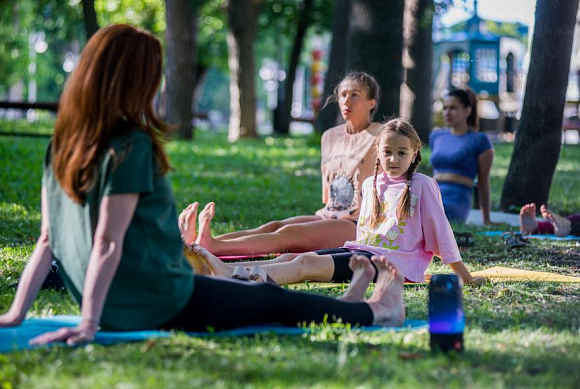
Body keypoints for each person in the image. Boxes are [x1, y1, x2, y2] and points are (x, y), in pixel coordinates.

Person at [0, 25, 406, 344]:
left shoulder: (60, 146)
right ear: (132, 82)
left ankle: (352, 305)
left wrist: (17, 314)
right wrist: (89, 323)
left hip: (125, 299)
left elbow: (46, 240)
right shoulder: (130, 145)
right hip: (157, 301)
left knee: (260, 294)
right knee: (265, 300)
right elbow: (107, 242)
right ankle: (378, 311)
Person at [186, 119, 480, 286]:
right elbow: (365, 234)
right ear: (377, 152)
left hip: (391, 266)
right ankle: (231, 272)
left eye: (402, 153)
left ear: (415, 153)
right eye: (387, 152)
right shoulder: (370, 184)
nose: (394, 159)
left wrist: (465, 277)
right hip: (362, 251)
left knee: (305, 263)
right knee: (289, 258)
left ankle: (234, 277)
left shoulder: (423, 186)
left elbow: (441, 235)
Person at [180, 71, 383, 257]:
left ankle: (213, 247)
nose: (347, 100)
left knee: (289, 233)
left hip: (358, 222)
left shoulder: (381, 136)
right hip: (329, 215)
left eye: (355, 95)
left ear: (371, 102)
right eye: (343, 94)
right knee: (273, 226)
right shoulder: (330, 136)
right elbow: (328, 195)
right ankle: (197, 241)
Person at [429, 88, 495, 224]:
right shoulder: (436, 136)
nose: (447, 112)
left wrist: (486, 219)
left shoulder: (480, 140)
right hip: (433, 193)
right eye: (445, 108)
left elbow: (483, 182)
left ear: (467, 111)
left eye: (453, 108)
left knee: (431, 212)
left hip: (457, 199)